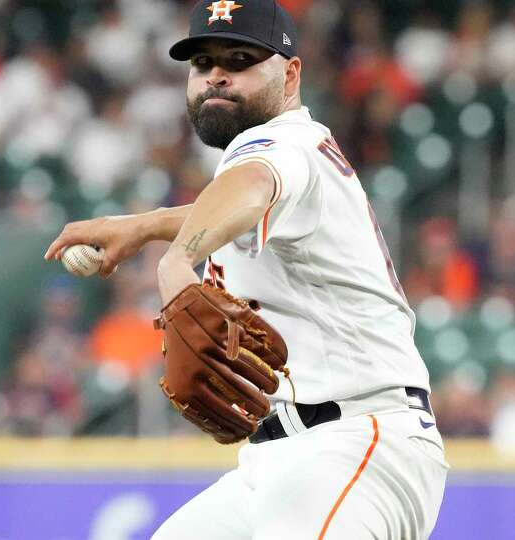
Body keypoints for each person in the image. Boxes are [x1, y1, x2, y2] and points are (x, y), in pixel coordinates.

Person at [44, 1, 448, 538]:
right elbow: (239, 208)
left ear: (291, 72)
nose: (217, 74)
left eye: (240, 59)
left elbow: (253, 186)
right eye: (202, 63)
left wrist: (175, 261)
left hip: (354, 444)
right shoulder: (285, 159)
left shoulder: (281, 142)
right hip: (279, 459)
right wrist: (143, 226)